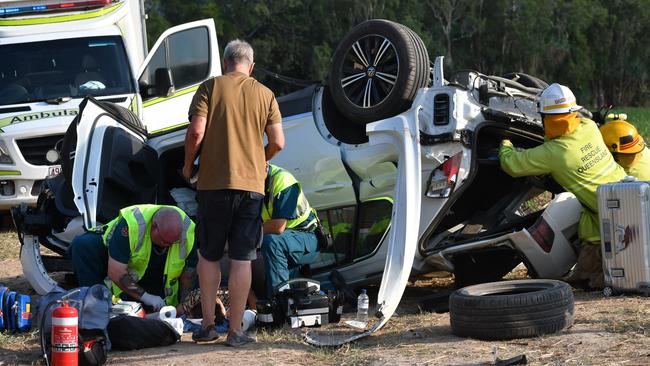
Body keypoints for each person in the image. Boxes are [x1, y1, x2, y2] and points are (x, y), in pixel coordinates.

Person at [183, 39, 284, 346]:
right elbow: (278, 142)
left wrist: (189, 165)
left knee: (209, 256)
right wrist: (258, 160)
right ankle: (236, 331)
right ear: (250, 66)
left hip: (213, 186)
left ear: (225, 63)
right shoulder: (265, 94)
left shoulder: (210, 87)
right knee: (242, 259)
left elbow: (196, 131)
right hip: (251, 188)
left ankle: (208, 326)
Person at [499, 83, 626, 289]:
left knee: (590, 281)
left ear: (547, 119)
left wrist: (505, 142)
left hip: (607, 217)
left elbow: (512, 164)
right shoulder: (590, 128)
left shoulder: (555, 153)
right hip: (624, 195)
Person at [68, 205, 196, 311]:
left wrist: (183, 306)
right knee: (82, 245)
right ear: (153, 226)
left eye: (173, 243)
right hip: (126, 270)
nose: (167, 246)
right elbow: (116, 272)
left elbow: (188, 274)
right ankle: (96, 308)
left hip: (159, 279)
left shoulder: (188, 231)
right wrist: (146, 297)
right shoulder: (132, 225)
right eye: (164, 241)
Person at [260, 163, 319, 298]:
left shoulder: (282, 179)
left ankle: (279, 303)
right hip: (287, 239)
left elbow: (278, 226)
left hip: (307, 237)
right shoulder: (251, 183)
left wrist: (247, 234)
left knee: (271, 242)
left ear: (265, 165)